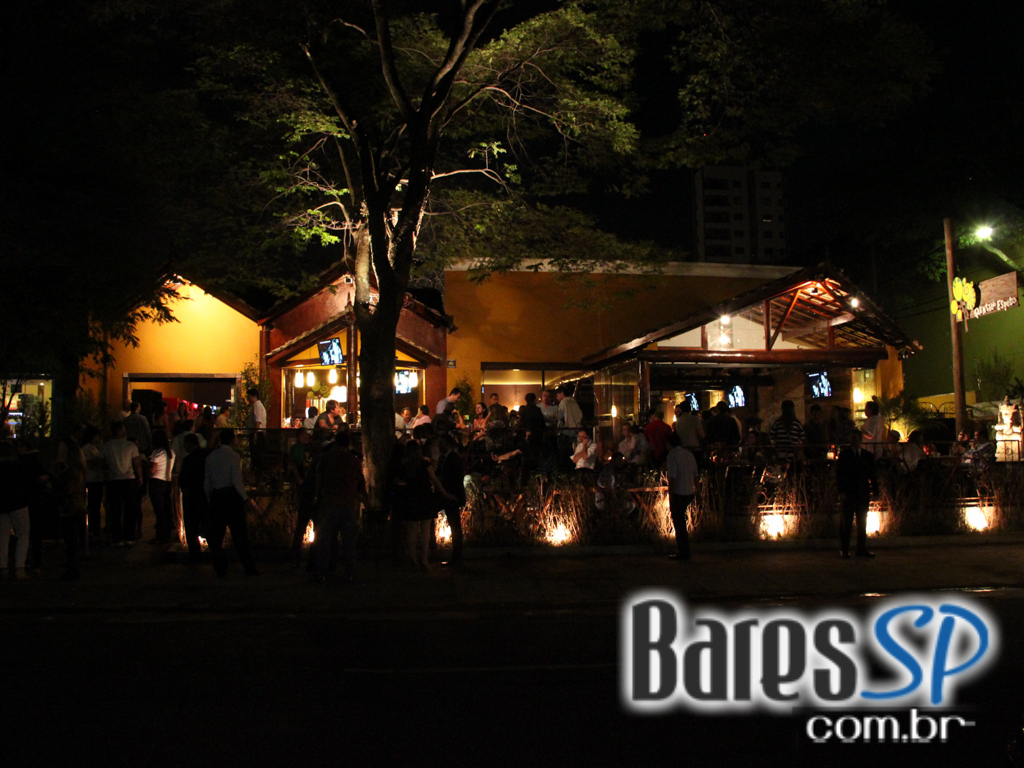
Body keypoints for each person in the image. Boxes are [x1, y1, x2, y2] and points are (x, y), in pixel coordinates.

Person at [311, 430, 366, 582]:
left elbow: (319, 481)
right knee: (349, 540)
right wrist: (363, 499)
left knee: (325, 539)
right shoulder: (354, 461)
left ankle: (322, 571)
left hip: (329, 501)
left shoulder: (326, 459)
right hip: (348, 502)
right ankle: (350, 571)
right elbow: (358, 482)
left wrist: (317, 498)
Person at [204, 429, 260, 577]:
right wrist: (245, 498)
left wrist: (209, 498)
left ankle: (220, 567)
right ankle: (248, 567)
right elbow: (236, 480)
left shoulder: (211, 457)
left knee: (216, 536)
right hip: (231, 497)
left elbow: (207, 481)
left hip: (217, 496)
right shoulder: (234, 456)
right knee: (240, 535)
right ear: (232, 440)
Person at [0, 441, 47, 579]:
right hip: (19, 503)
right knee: (23, 534)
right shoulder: (19, 465)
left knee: (3, 537)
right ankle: (19, 567)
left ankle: (3, 567)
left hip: (2, 505)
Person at [101, 421, 143, 546]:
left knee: (115, 510)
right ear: (120, 431)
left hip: (113, 480)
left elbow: (102, 463)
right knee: (130, 509)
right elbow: (136, 463)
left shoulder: (106, 446)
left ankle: (117, 538)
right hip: (129, 479)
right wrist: (140, 476)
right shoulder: (130, 445)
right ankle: (129, 536)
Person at [835, 431, 876, 558]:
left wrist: (875, 490)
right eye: (852, 438)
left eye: (856, 438)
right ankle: (844, 549)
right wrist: (841, 491)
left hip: (862, 492)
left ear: (860, 439)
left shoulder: (867, 456)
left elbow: (872, 475)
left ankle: (861, 548)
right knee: (846, 522)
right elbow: (839, 475)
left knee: (862, 522)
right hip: (849, 493)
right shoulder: (844, 456)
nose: (854, 441)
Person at [665, 433, 699, 561]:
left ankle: (683, 551)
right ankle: (685, 550)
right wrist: (698, 491)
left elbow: (672, 478)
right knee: (681, 522)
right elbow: (695, 475)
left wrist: (671, 495)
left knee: (679, 523)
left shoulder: (672, 456)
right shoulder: (689, 454)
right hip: (689, 491)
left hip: (679, 492)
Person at [436, 435, 466, 566]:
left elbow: (456, 479)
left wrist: (450, 493)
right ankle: (456, 556)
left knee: (455, 526)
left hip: (452, 496)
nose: (439, 446)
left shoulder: (453, 459)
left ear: (448, 444)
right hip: (447, 495)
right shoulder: (445, 458)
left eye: (441, 443)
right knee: (455, 526)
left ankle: (457, 557)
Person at [58, 443, 87, 580]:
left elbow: (68, 490)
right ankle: (74, 567)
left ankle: (72, 568)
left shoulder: (70, 472)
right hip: (79, 505)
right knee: (74, 539)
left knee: (70, 539)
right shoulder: (81, 470)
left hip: (70, 507)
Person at [178, 434, 208, 563]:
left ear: (190, 444)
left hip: (191, 497)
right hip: (204, 495)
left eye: (185, 444)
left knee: (191, 527)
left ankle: (195, 555)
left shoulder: (189, 459)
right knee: (206, 524)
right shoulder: (207, 456)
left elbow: (183, 479)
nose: (184, 446)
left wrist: (185, 490)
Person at [149, 430, 175, 543]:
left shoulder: (157, 452)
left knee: (159, 510)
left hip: (156, 481)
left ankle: (160, 536)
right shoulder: (171, 452)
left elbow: (152, 470)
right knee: (166, 508)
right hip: (167, 481)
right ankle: (167, 534)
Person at [81, 426, 105, 541]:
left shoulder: (96, 448)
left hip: (98, 480)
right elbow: (88, 464)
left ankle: (96, 530)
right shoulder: (86, 448)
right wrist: (99, 461)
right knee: (92, 507)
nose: (99, 439)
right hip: (91, 480)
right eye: (97, 436)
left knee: (96, 507)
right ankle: (91, 530)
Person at [556, 387, 584, 470]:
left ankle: (565, 470)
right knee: (572, 451)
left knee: (564, 453)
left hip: (566, 431)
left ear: (562, 394)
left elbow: (561, 417)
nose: (557, 398)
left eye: (557, 395)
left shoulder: (563, 402)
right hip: (575, 430)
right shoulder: (574, 402)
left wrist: (555, 415)